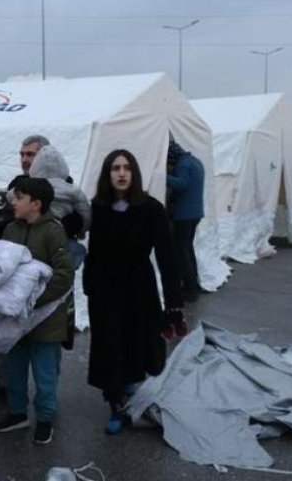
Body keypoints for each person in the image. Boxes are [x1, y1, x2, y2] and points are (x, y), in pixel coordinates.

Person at [83, 149, 187, 436]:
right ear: (108, 173)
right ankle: (116, 405)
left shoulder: (150, 208)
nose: (121, 173)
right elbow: (94, 251)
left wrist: (174, 302)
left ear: (134, 173)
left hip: (139, 288)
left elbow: (167, 257)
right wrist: (89, 284)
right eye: (115, 167)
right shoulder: (99, 207)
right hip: (106, 290)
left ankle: (129, 381)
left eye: (127, 167)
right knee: (110, 346)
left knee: (136, 341)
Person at [0, 178, 74, 445]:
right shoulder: (10, 231)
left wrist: (34, 301)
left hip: (46, 321)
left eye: (19, 197)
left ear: (36, 204)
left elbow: (64, 275)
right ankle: (17, 413)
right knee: (14, 368)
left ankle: (46, 418)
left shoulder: (53, 231)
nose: (13, 202)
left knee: (44, 373)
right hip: (16, 320)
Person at [0, 134, 51, 401]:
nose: (25, 159)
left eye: (31, 154)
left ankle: (46, 398)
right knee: (4, 333)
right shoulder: (16, 185)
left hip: (43, 275)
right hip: (14, 274)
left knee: (44, 344)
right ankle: (5, 385)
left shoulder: (59, 186)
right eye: (22, 154)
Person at [28, 145, 92, 268]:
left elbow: (12, 197)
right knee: (78, 251)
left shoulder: (30, 187)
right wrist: (82, 230)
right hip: (63, 235)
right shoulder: (72, 190)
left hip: (35, 235)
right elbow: (85, 213)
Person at [166, 139, 206, 302]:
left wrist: (163, 175)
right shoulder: (195, 161)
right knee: (188, 248)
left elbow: (181, 184)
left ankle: (189, 288)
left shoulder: (183, 164)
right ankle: (193, 283)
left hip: (184, 214)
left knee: (180, 251)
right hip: (196, 213)